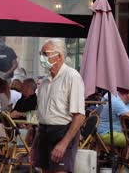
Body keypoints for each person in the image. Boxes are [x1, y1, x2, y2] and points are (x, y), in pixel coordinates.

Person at [32, 38, 85, 172]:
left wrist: (64, 143)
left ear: (59, 56)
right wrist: (34, 146)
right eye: (41, 54)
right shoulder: (44, 82)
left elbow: (79, 116)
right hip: (44, 132)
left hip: (63, 131)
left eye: (45, 53)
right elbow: (42, 117)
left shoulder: (72, 76)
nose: (42, 58)